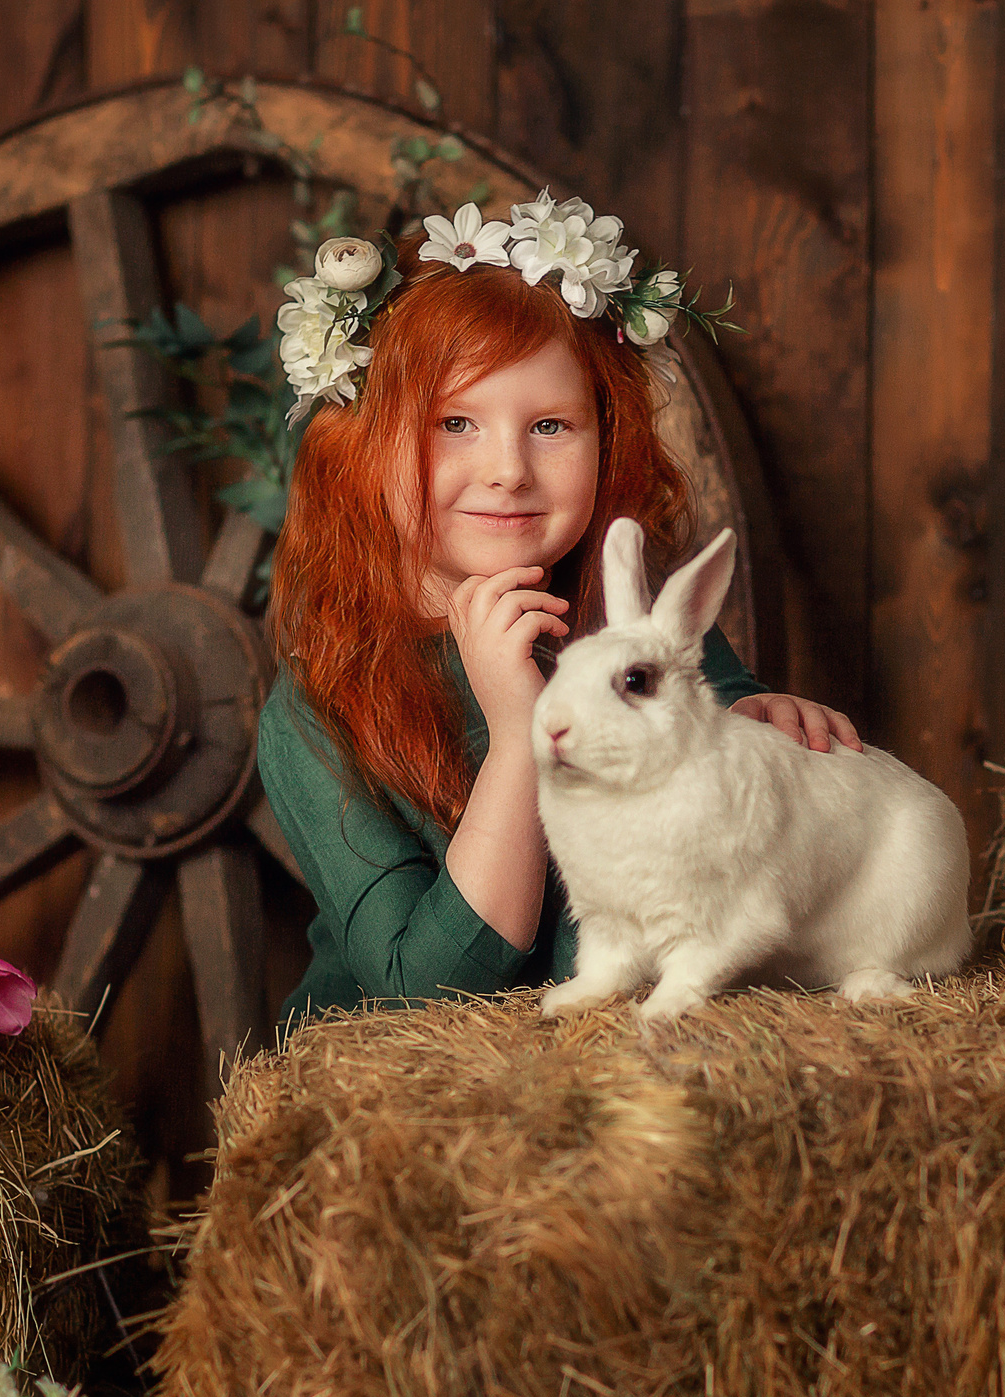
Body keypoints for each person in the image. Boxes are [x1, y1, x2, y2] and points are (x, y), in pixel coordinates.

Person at [257, 192, 860, 1032]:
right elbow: (422, 995)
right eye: (454, 423)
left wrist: (759, 727)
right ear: (359, 447)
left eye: (550, 425)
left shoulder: (630, 622)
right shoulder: (317, 706)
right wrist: (516, 737)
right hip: (418, 1098)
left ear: (606, 438)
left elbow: (725, 789)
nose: (508, 468)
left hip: (620, 1061)